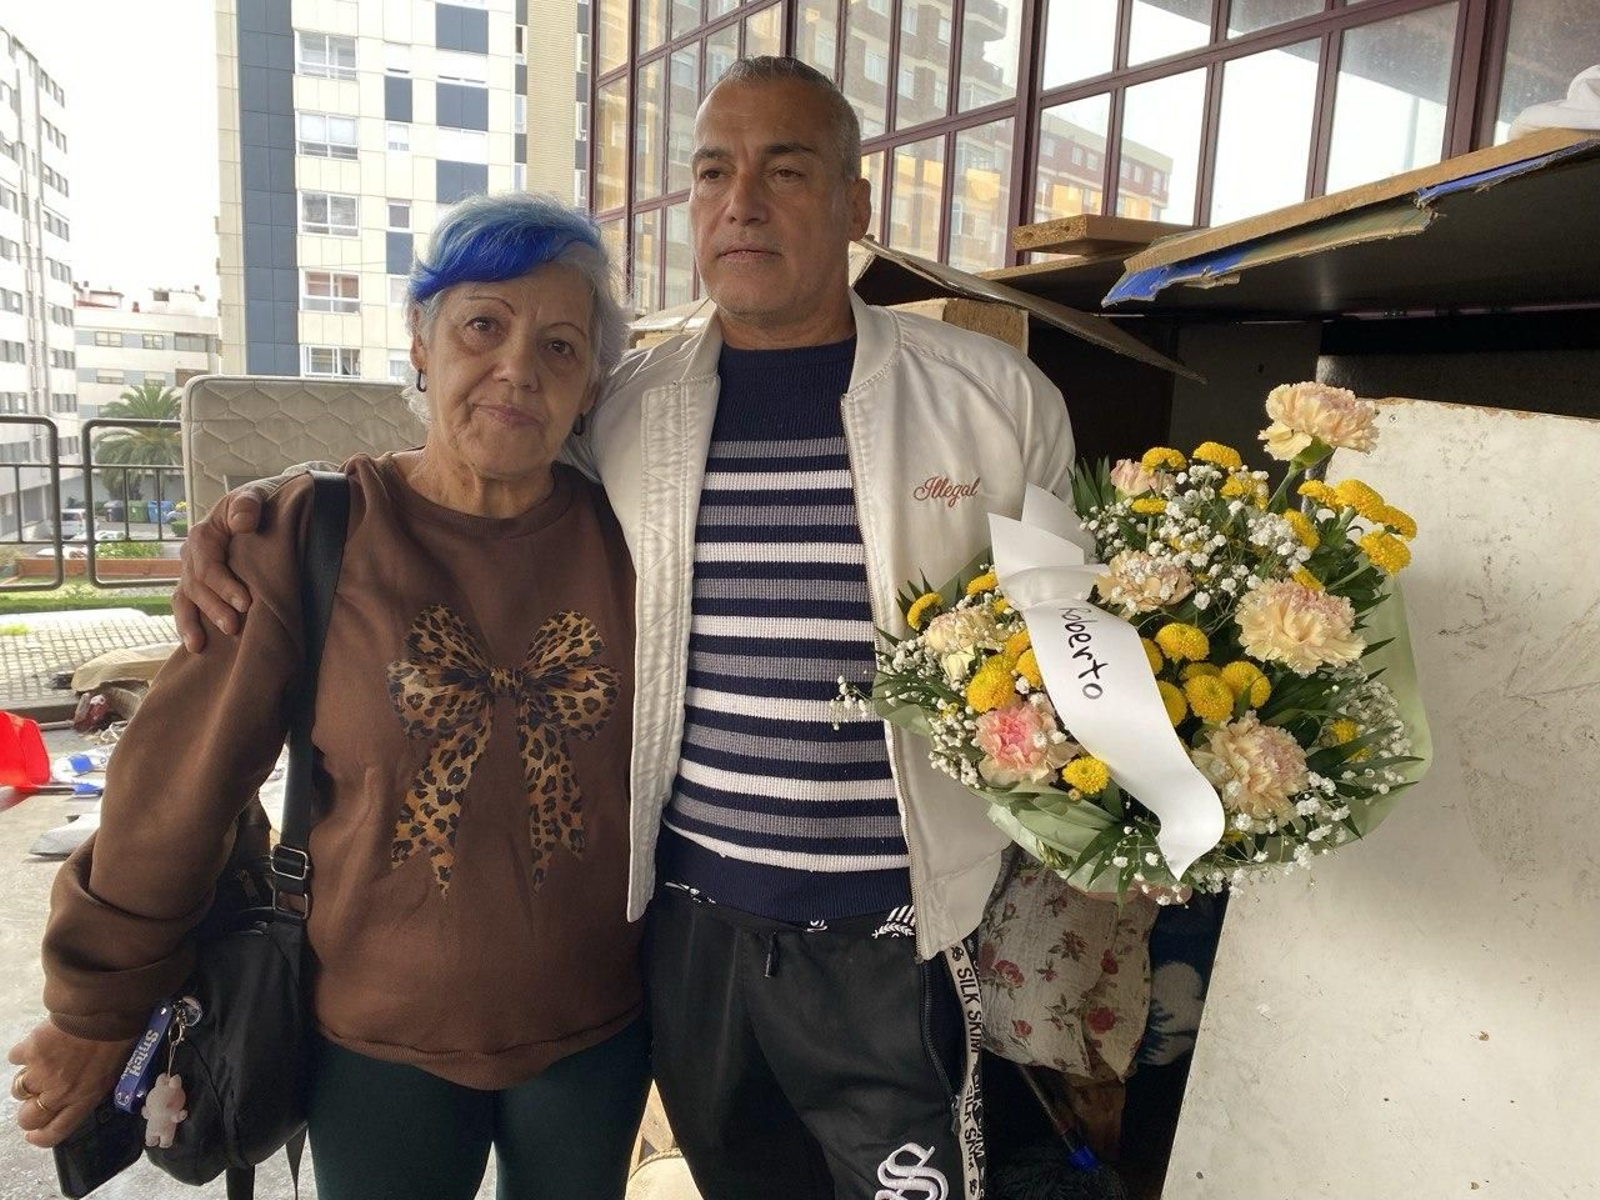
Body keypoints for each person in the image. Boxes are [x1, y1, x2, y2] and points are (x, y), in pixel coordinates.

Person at [175, 57, 1074, 1200]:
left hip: (898, 934)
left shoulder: (995, 404)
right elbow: (471, 459)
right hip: (687, 934)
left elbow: (1068, 646)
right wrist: (267, 508)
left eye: (785, 169)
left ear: (855, 205)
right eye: (712, 171)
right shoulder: (637, 405)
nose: (740, 200)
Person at [9, 195, 649, 1200]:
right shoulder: (310, 531)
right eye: (484, 325)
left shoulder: (635, 541)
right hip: (373, 1044)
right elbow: (174, 790)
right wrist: (97, 1002)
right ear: (422, 341)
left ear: (592, 384)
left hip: (598, 1035)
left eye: (560, 346)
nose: (517, 368)